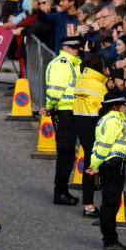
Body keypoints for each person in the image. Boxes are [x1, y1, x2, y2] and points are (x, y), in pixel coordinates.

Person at [86, 91, 126, 250]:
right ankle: (110, 240)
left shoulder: (109, 118)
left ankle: (110, 238)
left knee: (110, 202)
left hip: (111, 164)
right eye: (123, 104)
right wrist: (95, 166)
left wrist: (96, 164)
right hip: (113, 165)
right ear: (116, 106)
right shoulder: (114, 119)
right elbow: (105, 144)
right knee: (110, 204)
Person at [40, 35, 84, 205]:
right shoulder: (62, 64)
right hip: (64, 112)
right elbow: (55, 90)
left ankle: (62, 191)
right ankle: (60, 192)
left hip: (70, 112)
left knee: (67, 153)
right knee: (65, 153)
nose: (76, 51)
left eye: (78, 48)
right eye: (74, 48)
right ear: (66, 47)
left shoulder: (73, 63)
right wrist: (50, 107)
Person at [73, 52, 108, 217]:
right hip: (95, 124)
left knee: (89, 164)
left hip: (80, 122)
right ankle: (94, 206)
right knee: (101, 165)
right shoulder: (99, 85)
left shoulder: (80, 81)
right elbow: (106, 108)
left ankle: (88, 204)